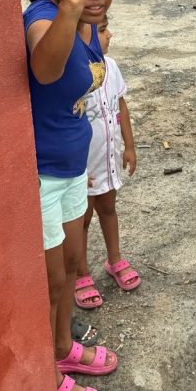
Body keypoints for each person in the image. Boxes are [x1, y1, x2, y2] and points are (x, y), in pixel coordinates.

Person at [23, 0, 120, 391]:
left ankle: (61, 347)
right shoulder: (45, 17)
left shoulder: (88, 25)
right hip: (43, 176)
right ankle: (44, 379)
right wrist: (70, 4)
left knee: (66, 271)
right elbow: (44, 69)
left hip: (72, 169)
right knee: (47, 282)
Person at [73, 18, 139, 308]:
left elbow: (120, 106)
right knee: (82, 219)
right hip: (84, 166)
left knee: (109, 209)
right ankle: (80, 273)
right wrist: (75, 168)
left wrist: (130, 146)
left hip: (108, 158)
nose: (110, 34)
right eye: (101, 30)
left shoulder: (111, 67)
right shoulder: (72, 75)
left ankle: (115, 259)